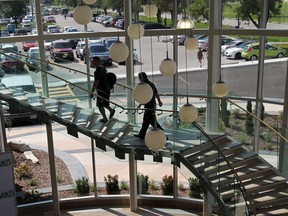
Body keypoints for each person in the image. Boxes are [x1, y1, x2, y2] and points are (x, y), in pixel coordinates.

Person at [134, 72, 166, 140]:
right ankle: (141, 135)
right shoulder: (151, 84)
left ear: (143, 77)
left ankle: (164, 135)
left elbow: (144, 96)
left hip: (150, 106)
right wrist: (159, 101)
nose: (139, 79)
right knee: (145, 122)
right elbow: (156, 94)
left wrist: (140, 104)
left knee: (153, 122)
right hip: (151, 105)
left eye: (140, 77)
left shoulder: (145, 85)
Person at [90, 56, 115, 122]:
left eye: (93, 60)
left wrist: (92, 91)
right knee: (105, 103)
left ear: (97, 61)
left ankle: (105, 118)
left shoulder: (97, 71)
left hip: (102, 90)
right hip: (107, 89)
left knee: (100, 105)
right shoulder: (103, 67)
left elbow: (96, 82)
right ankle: (111, 111)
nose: (92, 62)